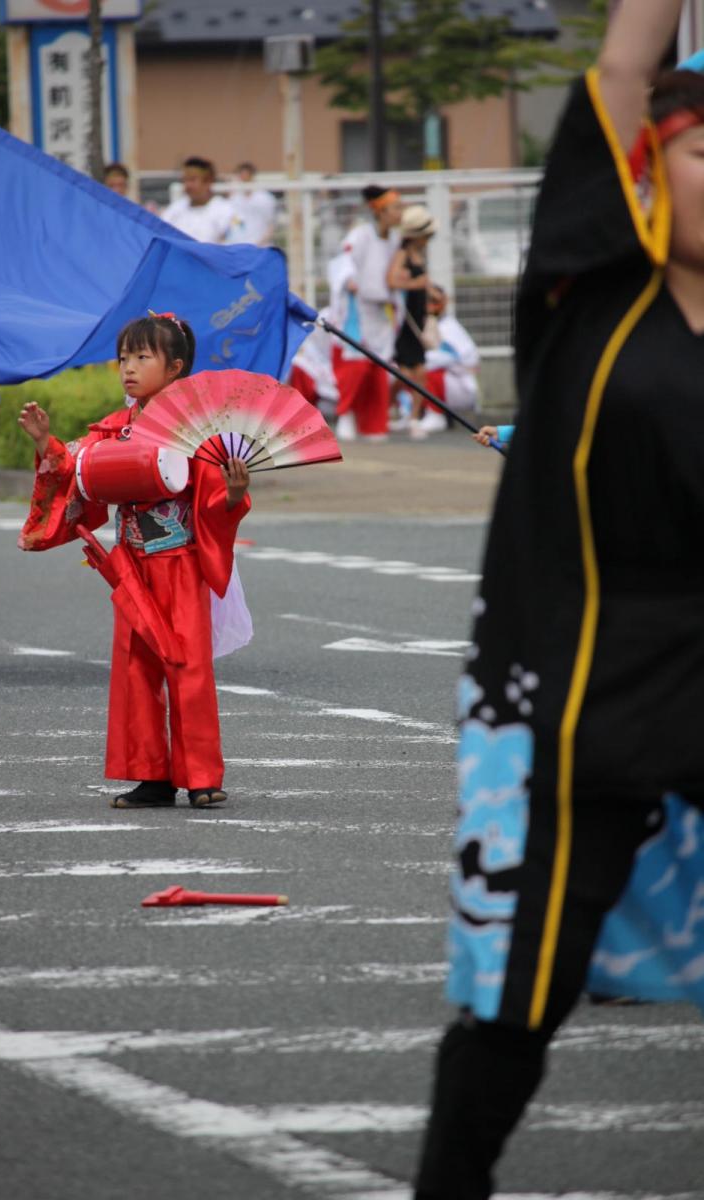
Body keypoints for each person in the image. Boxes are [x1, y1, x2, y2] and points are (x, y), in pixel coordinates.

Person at [414, 3, 704, 1197]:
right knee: (518, 997)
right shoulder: (583, 302)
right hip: (583, 704)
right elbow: (623, 66)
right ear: (647, 163)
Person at [17, 313, 251, 810]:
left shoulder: (201, 434)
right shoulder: (114, 430)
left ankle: (202, 776)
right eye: (124, 357)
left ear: (176, 368)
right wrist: (45, 443)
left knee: (187, 667)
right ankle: (152, 777)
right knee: (135, 669)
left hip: (180, 564)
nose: (128, 368)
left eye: (143, 357)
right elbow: (77, 474)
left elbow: (213, 507)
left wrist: (232, 495)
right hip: (130, 566)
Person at [327, 184, 402, 441]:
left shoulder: (394, 240)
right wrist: (348, 279)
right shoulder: (360, 235)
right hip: (356, 307)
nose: (400, 213)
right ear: (380, 211)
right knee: (355, 365)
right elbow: (342, 260)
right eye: (395, 208)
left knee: (378, 366)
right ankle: (346, 414)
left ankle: (374, 424)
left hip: (382, 309)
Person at [387, 204, 447, 439]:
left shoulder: (417, 255)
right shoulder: (401, 253)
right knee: (406, 373)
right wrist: (417, 284)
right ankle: (395, 409)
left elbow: (424, 280)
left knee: (419, 372)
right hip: (404, 320)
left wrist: (432, 292)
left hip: (418, 320)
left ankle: (413, 417)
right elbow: (391, 280)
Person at [161, 156, 240, 244]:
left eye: (192, 180)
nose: (188, 185)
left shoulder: (226, 210)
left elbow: (238, 239)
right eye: (185, 180)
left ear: (208, 181)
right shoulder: (174, 210)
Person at [228, 162, 277, 246]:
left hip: (261, 247)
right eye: (240, 176)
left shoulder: (265, 198)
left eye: (246, 176)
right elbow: (233, 222)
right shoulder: (233, 199)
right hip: (239, 247)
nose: (243, 179)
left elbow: (271, 225)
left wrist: (259, 244)